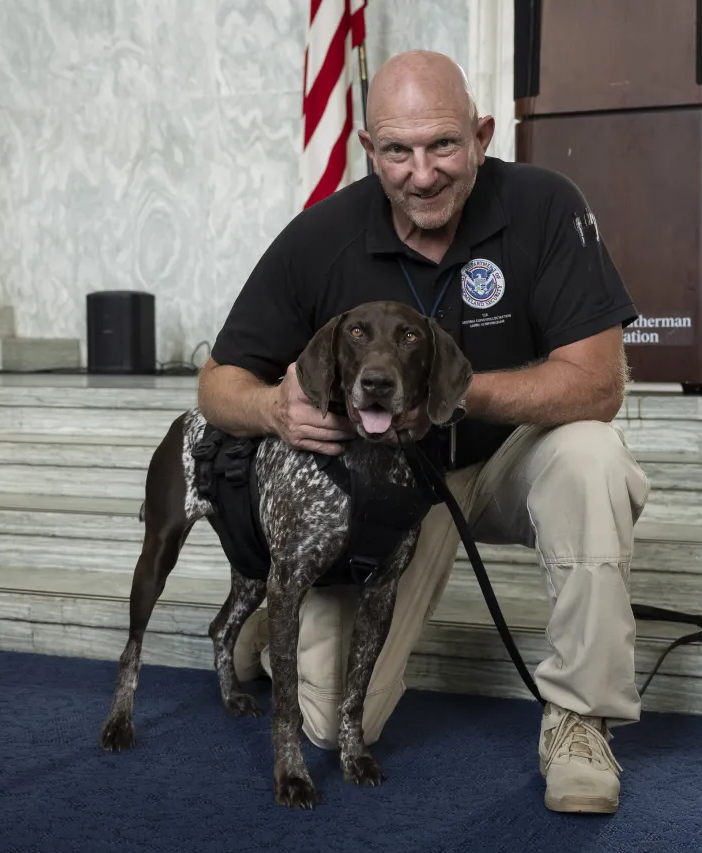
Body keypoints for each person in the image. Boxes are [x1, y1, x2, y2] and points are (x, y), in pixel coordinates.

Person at [198, 49, 649, 815]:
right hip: (388, 491)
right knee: (332, 719)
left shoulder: (543, 206)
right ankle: (282, 612)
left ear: (480, 134)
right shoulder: (321, 236)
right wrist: (276, 409)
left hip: (508, 455)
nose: (422, 173)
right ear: (370, 151)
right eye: (398, 151)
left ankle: (580, 716)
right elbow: (216, 384)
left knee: (592, 454)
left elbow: (601, 383)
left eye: (443, 145)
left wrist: (453, 394)